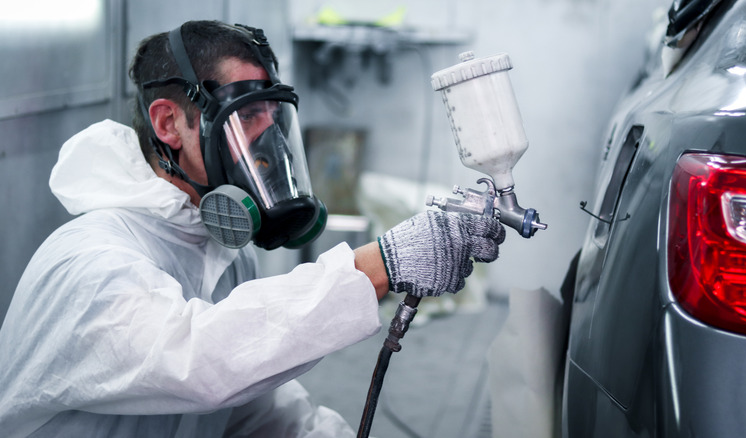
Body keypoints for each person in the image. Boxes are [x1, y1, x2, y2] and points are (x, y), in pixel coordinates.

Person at [0, 20, 505, 437]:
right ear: (169, 123)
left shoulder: (218, 249)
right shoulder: (91, 261)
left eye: (272, 113)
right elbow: (199, 362)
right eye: (247, 114)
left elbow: (254, 404)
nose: (270, 142)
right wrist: (377, 266)